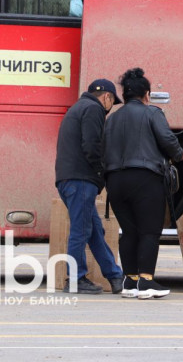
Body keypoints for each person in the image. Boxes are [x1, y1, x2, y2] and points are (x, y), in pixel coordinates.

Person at [103, 68, 183, 299]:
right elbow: (167, 139)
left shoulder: (112, 119)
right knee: (149, 231)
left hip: (115, 181)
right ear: (146, 94)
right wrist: (179, 154)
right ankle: (147, 281)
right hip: (145, 178)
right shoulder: (153, 113)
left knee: (129, 231)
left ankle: (130, 281)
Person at [55, 78, 124, 294]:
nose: (110, 107)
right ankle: (75, 279)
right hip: (81, 180)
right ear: (107, 97)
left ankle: (114, 275)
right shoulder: (93, 110)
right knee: (81, 229)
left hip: (69, 179)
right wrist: (101, 174)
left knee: (94, 230)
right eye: (112, 102)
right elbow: (92, 146)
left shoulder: (78, 108)